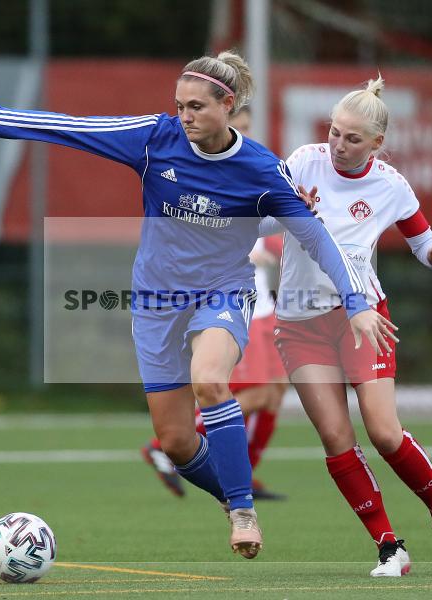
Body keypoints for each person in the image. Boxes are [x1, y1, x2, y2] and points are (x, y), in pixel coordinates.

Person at [0, 51, 396, 560]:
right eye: (179, 105)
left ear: (228, 104)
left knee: (209, 379)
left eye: (196, 106)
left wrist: (355, 302)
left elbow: (317, 238)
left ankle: (243, 511)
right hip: (156, 301)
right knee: (176, 442)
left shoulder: (262, 169)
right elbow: (72, 128)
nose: (185, 116)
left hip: (223, 290)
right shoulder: (156, 140)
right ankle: (230, 495)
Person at [260, 75, 432, 576]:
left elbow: (422, 240)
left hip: (362, 319)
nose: (338, 143)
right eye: (334, 131)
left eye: (352, 138)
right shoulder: (303, 162)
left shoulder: (390, 184)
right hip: (298, 321)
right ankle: (389, 548)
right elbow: (262, 222)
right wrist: (291, 212)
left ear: (377, 144)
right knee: (336, 437)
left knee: (382, 431)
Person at [142, 105, 289, 501]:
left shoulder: (255, 163)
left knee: (275, 390)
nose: (241, 135)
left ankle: (246, 473)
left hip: (261, 302)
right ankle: (173, 447)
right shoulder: (201, 167)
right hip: (236, 303)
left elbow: (272, 226)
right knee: (255, 392)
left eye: (246, 128)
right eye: (237, 126)